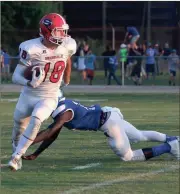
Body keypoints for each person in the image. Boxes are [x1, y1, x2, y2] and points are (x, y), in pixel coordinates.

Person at [8, 13, 77, 171]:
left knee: (38, 118)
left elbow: (67, 60)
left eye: (63, 31)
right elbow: (15, 76)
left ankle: (17, 156)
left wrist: (66, 80)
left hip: (49, 95)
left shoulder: (68, 45)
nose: (63, 35)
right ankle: (16, 152)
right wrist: (28, 82)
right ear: (46, 32)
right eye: (58, 31)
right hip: (29, 94)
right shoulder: (31, 48)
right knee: (19, 126)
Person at [23, 98, 179, 162]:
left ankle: (169, 147)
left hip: (109, 123)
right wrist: (36, 153)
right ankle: (172, 139)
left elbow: (49, 133)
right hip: (110, 113)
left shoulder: (63, 112)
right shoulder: (60, 105)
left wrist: (24, 143)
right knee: (138, 135)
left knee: (128, 156)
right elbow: (52, 136)